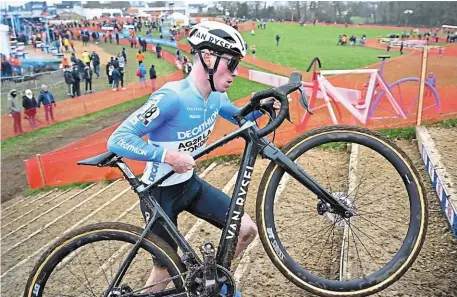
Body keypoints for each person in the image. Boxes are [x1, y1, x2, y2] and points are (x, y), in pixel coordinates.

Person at [107, 21, 284, 297]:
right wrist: (167, 155)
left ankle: (211, 284)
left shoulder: (216, 97)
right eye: (232, 63)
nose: (235, 72)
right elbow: (117, 140)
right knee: (165, 269)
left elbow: (241, 119)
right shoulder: (171, 97)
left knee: (246, 229)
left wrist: (264, 107)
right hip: (159, 194)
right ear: (209, 58)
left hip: (189, 185)